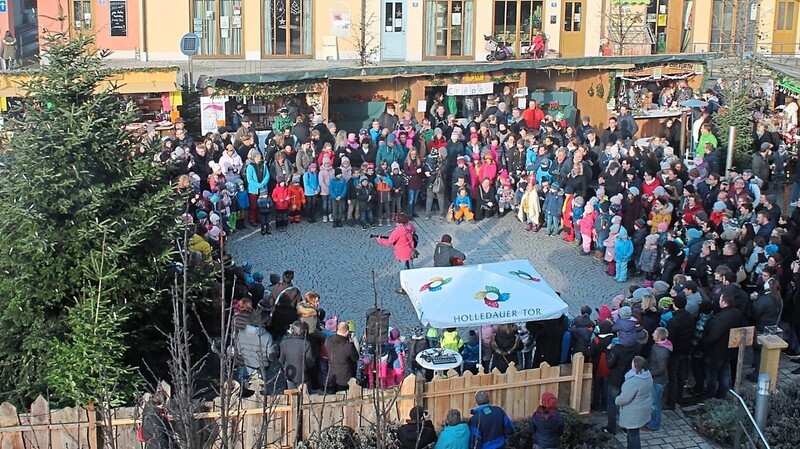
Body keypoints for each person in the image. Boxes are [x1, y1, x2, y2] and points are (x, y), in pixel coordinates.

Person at [615, 356, 653, 449]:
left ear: (636, 366)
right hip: (642, 409)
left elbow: (625, 398)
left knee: (633, 435)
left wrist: (617, 400)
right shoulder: (647, 375)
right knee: (632, 433)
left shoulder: (634, 381)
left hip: (633, 412)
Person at [375, 212, 417, 294]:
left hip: (401, 253)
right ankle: (413, 284)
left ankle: (404, 288)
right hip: (410, 251)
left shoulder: (398, 231)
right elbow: (413, 233)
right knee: (411, 268)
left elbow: (389, 242)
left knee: (403, 271)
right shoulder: (409, 227)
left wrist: (379, 240)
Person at [646, 327, 671, 431]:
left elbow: (661, 369)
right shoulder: (658, 346)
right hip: (656, 379)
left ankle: (654, 425)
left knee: (655, 404)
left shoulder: (661, 352)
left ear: (659, 337)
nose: (652, 334)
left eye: (654, 334)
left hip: (658, 381)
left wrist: (648, 373)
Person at [324, 322, 359, 392]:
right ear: (347, 333)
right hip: (345, 379)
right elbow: (356, 358)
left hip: (332, 376)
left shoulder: (328, 341)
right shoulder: (348, 346)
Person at [279, 321, 315, 389]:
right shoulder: (307, 344)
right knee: (303, 395)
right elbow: (310, 362)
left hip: (289, 373)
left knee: (291, 394)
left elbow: (281, 360)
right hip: (302, 375)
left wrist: (285, 368)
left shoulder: (284, 343)